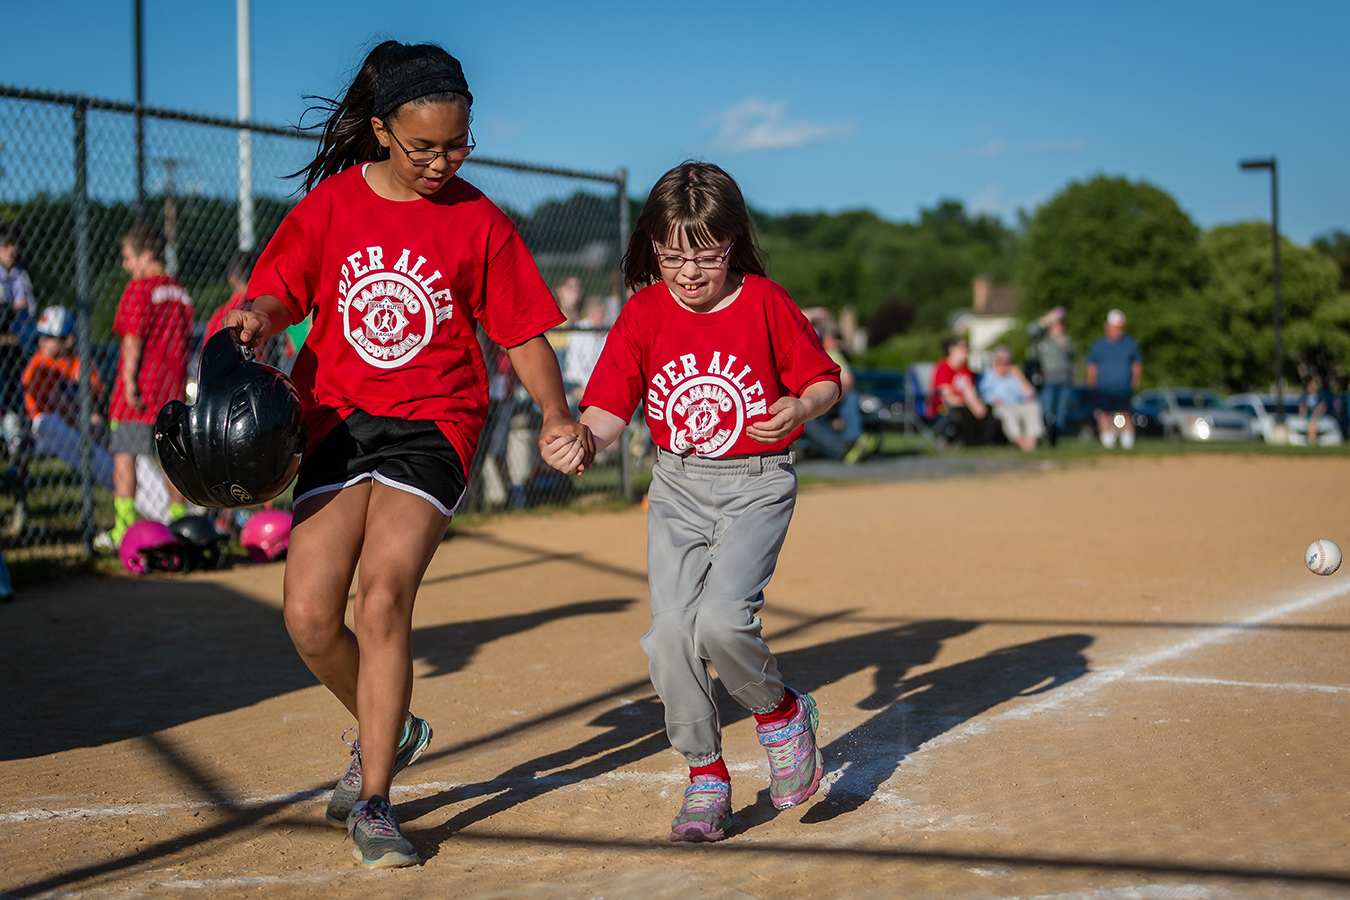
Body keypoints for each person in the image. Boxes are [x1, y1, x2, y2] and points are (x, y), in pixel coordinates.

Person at [224, 41, 591, 869]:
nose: (440, 162)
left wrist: (557, 411)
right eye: (423, 146)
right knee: (312, 616)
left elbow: (522, 330)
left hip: (436, 421)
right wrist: (259, 317)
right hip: (338, 419)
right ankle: (397, 725)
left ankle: (378, 798)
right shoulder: (331, 207)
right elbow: (285, 288)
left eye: (456, 145)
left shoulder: (478, 219)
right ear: (384, 130)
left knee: (382, 596)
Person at [543, 161, 836, 843]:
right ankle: (706, 774)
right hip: (678, 486)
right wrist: (584, 441)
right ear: (653, 248)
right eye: (672, 256)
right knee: (671, 634)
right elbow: (611, 408)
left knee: (725, 623)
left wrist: (801, 404)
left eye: (705, 255)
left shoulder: (764, 301)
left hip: (755, 482)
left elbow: (825, 379)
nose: (688, 272)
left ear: (733, 243)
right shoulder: (644, 312)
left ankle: (781, 715)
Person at [97, 225, 192, 550]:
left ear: (146, 254)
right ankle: (178, 522)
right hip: (171, 390)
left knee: (124, 455)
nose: (126, 266)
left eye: (128, 258)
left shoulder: (138, 289)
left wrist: (127, 383)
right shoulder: (180, 291)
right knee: (171, 458)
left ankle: (124, 528)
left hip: (140, 390)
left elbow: (132, 339)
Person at [21, 306, 111, 483]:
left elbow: (99, 393)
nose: (41, 342)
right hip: (44, 424)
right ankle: (118, 482)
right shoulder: (39, 364)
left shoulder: (78, 360)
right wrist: (84, 422)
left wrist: (91, 418)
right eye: (41, 336)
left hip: (75, 419)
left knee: (103, 431)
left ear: (68, 340)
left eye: (48, 337)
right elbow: (60, 407)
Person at [1086, 309, 1142, 449]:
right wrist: (1091, 385)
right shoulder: (1099, 345)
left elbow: (1136, 365)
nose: (1117, 331)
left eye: (1119, 328)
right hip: (1103, 388)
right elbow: (1092, 367)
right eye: (1114, 327)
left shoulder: (1129, 344)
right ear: (1107, 327)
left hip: (1123, 388)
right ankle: (1108, 444)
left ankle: (1127, 443)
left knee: (1126, 413)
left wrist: (1135, 382)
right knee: (1104, 414)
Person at [0, 222, 36, 423]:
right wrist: (12, 308)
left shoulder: (21, 274)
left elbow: (29, 306)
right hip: (4, 345)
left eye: (15, 245)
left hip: (20, 342)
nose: (13, 250)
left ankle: (18, 428)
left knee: (19, 388)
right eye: (6, 246)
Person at [929, 336, 994, 446]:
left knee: (986, 409)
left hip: (964, 402)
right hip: (943, 406)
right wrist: (970, 404)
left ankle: (984, 442)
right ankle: (970, 443)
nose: (966, 351)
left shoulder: (965, 370)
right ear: (952, 349)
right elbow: (947, 396)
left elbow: (971, 391)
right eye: (962, 348)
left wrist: (977, 405)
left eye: (966, 348)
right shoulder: (943, 368)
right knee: (965, 412)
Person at [978, 345, 1044, 451]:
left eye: (1007, 361)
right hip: (1001, 405)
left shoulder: (1013, 375)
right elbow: (985, 393)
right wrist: (995, 400)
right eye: (1000, 361)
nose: (1003, 364)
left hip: (1018, 404)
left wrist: (1019, 376)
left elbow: (1030, 394)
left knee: (1033, 406)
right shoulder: (989, 375)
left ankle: (1031, 441)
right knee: (1005, 412)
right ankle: (1021, 442)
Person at [1026, 306, 1074, 445]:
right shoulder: (1043, 340)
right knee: (1046, 411)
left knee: (1061, 412)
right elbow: (1031, 330)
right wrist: (1048, 318)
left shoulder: (1067, 340)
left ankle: (1055, 438)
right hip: (1048, 380)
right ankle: (1044, 435)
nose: (1059, 326)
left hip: (1065, 380)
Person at [1299, 378, 1329, 445]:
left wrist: (1316, 413)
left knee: (1312, 424)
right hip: (1308, 415)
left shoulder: (1320, 396)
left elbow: (1322, 406)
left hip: (1316, 415)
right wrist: (1302, 414)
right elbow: (1302, 407)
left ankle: (1312, 442)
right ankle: (1313, 441)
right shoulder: (1305, 396)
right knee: (1311, 425)